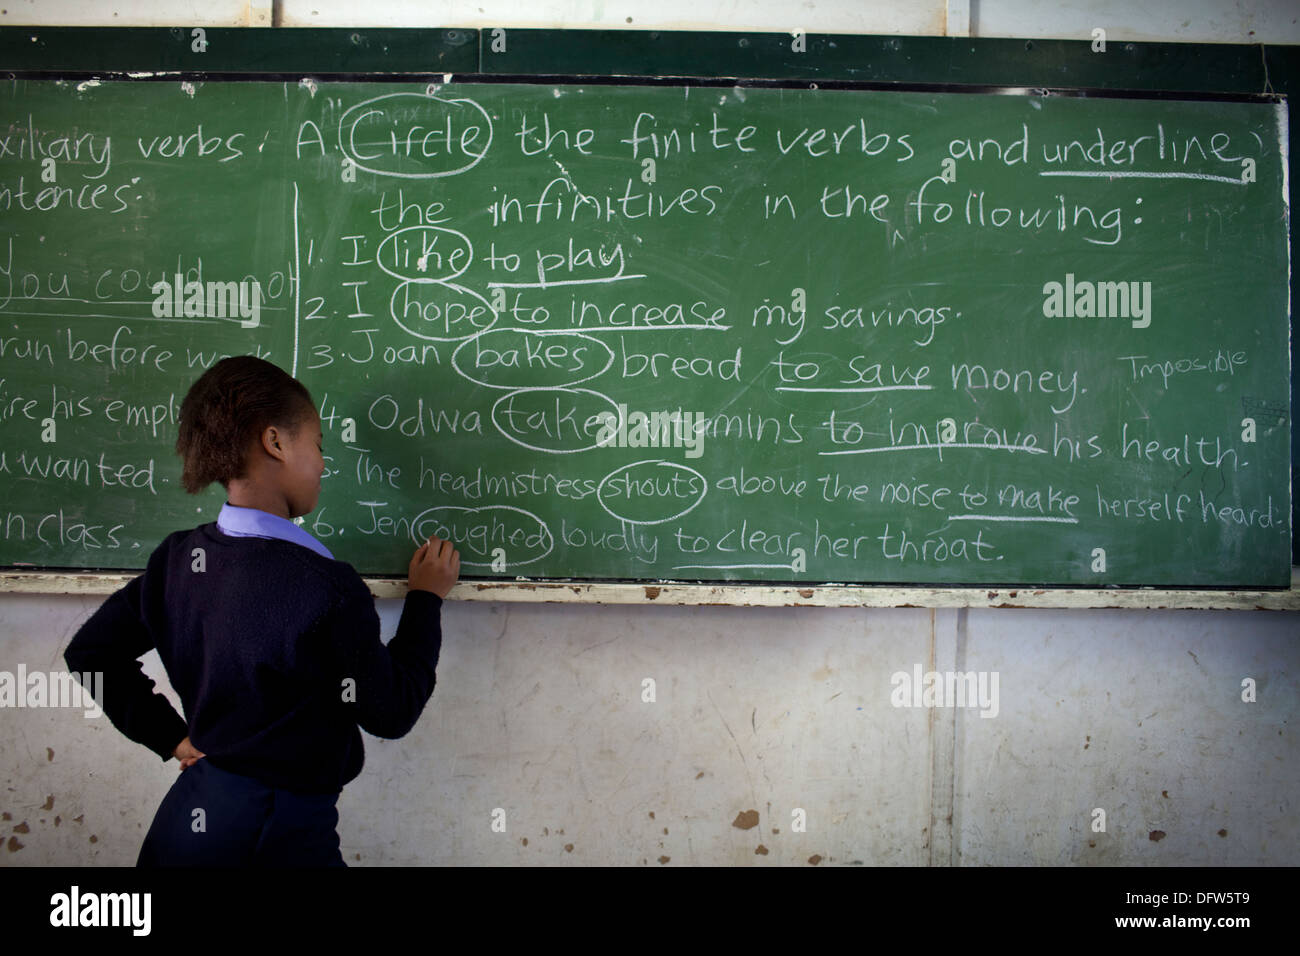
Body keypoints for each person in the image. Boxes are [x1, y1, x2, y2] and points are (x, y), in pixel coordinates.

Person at [63, 355, 459, 866]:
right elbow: (392, 711)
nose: (321, 463)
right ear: (275, 442)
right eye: (317, 445)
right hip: (275, 832)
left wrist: (173, 739)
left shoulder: (180, 559)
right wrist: (426, 601)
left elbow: (91, 653)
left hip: (191, 817)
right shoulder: (325, 587)